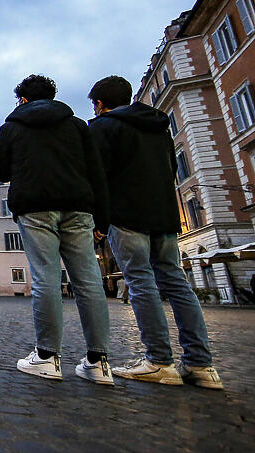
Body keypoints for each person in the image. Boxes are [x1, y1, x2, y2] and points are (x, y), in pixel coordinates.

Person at [88, 75, 223, 389]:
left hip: (126, 215)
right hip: (163, 216)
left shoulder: (103, 128)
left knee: (140, 283)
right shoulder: (160, 128)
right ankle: (201, 364)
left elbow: (98, 177)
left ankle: (159, 361)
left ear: (99, 104)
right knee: (177, 282)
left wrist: (99, 222)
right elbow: (172, 171)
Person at [0, 74, 113, 385]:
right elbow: (96, 171)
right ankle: (99, 362)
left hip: (34, 207)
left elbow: (0, 171)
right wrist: (103, 219)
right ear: (53, 95)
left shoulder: (11, 126)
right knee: (88, 280)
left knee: (46, 278)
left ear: (22, 99)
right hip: (78, 206)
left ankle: (47, 357)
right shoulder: (77, 125)